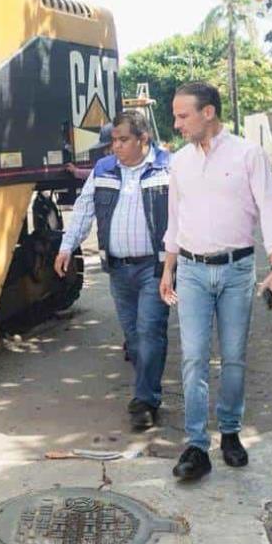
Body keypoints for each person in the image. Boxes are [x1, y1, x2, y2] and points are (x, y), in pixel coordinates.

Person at [159, 82, 272, 481]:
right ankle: (196, 445)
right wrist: (168, 269)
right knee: (194, 357)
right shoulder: (178, 162)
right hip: (193, 271)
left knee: (233, 357)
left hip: (237, 270)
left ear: (208, 113)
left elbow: (270, 208)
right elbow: (174, 221)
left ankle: (230, 432)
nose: (177, 123)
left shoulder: (247, 154)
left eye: (183, 115)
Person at [55, 110, 172, 431]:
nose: (115, 147)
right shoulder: (104, 169)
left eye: (123, 140)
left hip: (155, 268)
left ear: (143, 139)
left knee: (150, 332)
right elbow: (84, 208)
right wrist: (67, 246)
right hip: (119, 270)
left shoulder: (168, 168)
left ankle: (145, 399)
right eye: (113, 141)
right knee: (134, 339)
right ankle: (146, 390)